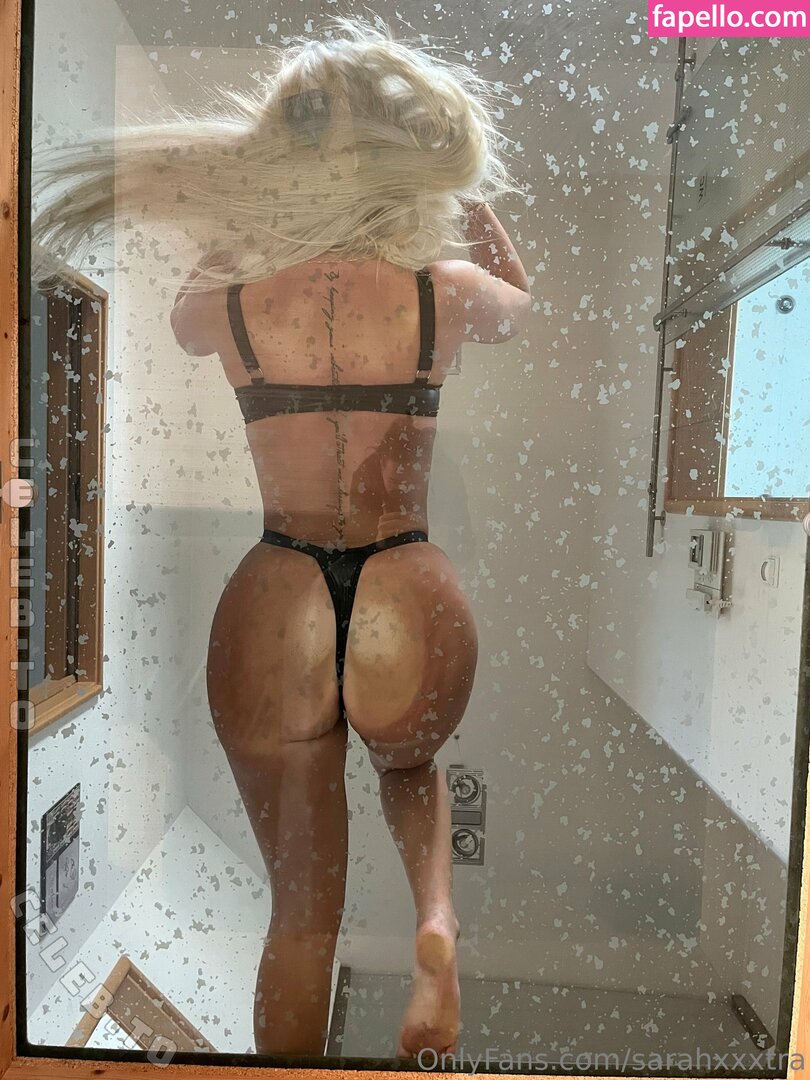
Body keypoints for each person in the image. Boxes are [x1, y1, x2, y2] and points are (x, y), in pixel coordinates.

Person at [32, 13, 531, 1060]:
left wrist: (254, 214)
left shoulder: (236, 303)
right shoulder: (443, 295)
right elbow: (517, 302)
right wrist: (460, 198)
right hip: (407, 577)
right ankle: (436, 920)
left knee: (301, 919)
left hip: (278, 586)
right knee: (410, 771)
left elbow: (181, 317)